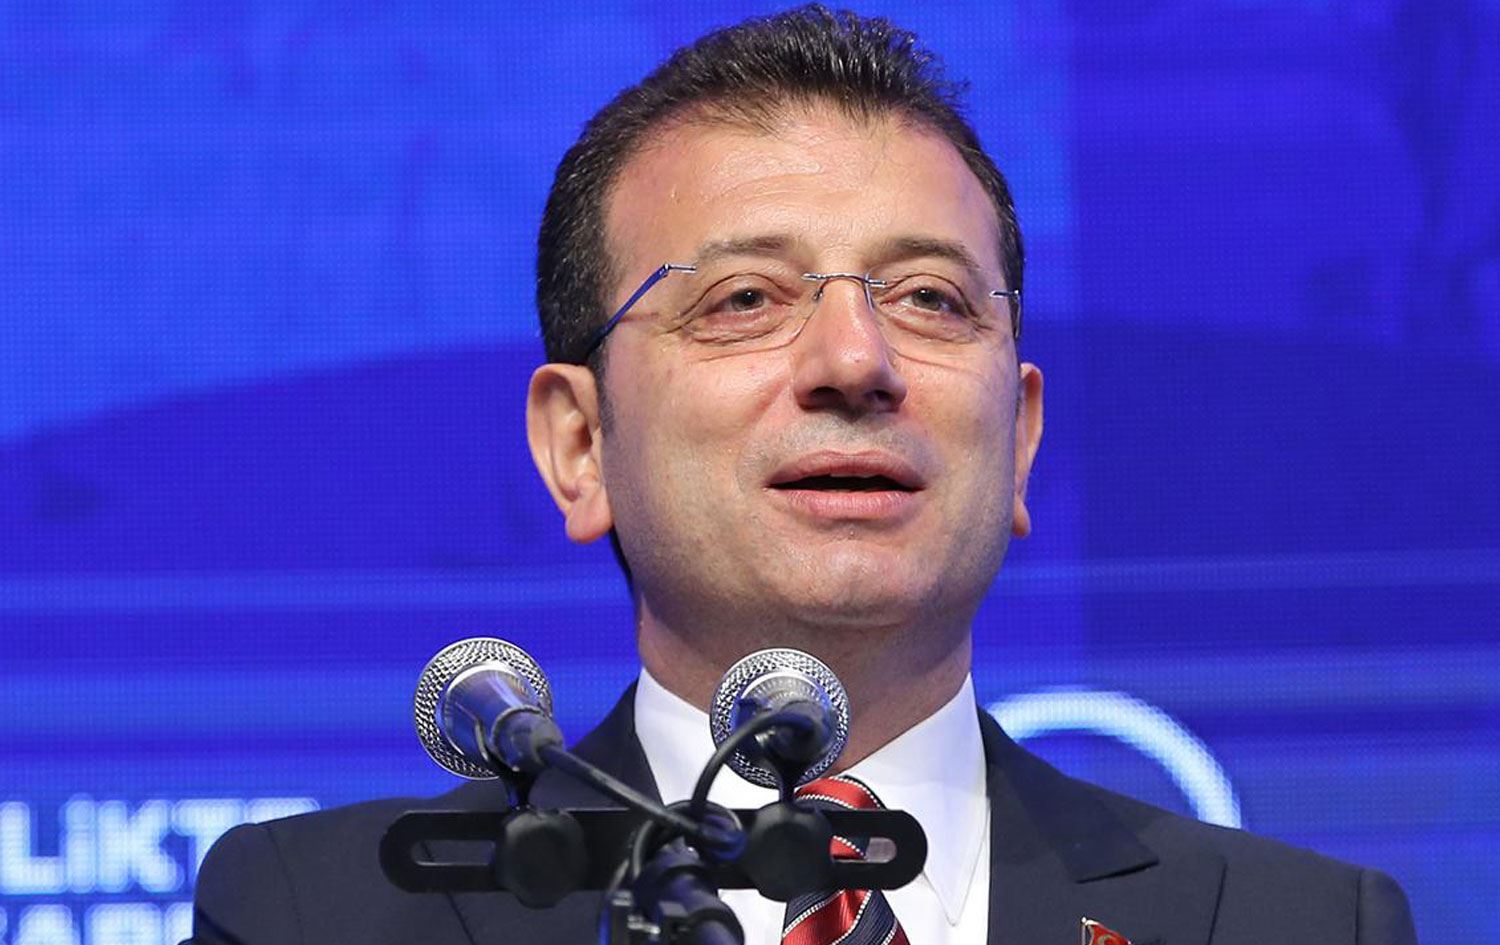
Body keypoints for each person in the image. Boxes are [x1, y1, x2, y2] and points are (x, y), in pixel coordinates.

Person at [188, 7, 1418, 944]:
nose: (856, 361)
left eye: (931, 298)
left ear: (1021, 438)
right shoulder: (321, 916)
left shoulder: (1298, 927)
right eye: (744, 299)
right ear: (580, 445)